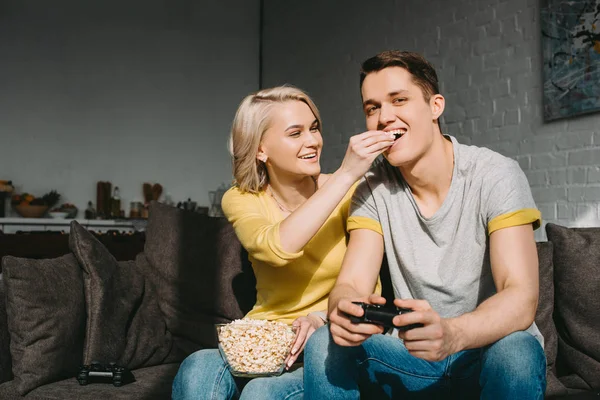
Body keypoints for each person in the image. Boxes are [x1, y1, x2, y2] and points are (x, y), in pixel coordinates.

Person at [304, 50, 547, 399]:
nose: (384, 117)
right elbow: (353, 282)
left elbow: (520, 296)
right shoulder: (372, 187)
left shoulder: (495, 175)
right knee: (323, 342)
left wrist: (452, 333)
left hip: (484, 354)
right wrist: (342, 309)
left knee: (517, 352)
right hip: (410, 361)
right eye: (372, 108)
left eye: (398, 100)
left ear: (435, 106)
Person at [172, 85, 396, 400]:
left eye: (314, 128)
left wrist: (320, 319)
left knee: (261, 394)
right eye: (295, 133)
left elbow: (366, 285)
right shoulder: (241, 199)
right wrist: (346, 174)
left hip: (328, 338)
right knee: (197, 366)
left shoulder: (351, 191)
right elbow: (277, 249)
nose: (313, 141)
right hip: (266, 338)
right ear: (261, 150)